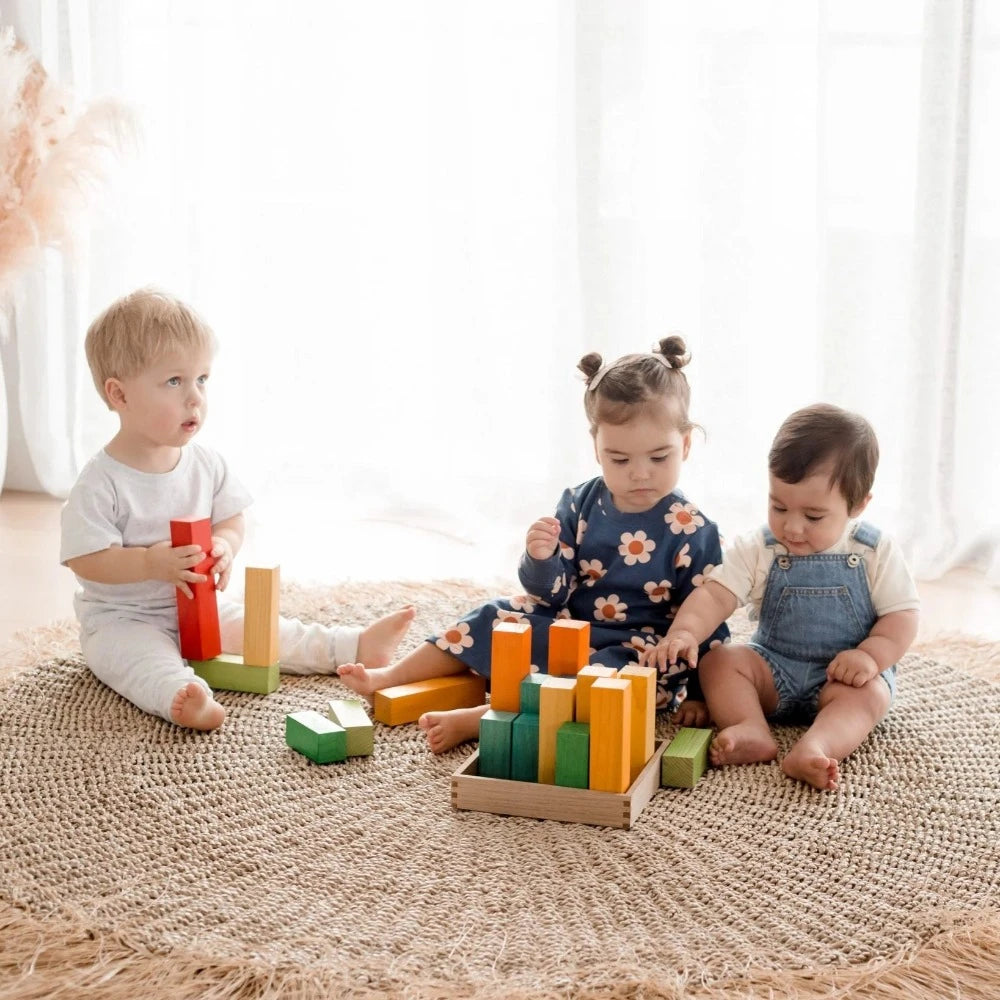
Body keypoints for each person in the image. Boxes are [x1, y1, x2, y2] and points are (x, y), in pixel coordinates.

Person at [337, 335, 729, 752]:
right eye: (620, 459)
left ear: (685, 445)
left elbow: (707, 617)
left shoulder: (693, 529)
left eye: (658, 458)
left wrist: (702, 693)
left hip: (638, 650)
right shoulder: (580, 503)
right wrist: (541, 559)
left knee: (601, 688)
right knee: (492, 616)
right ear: (596, 450)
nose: (639, 474)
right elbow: (549, 591)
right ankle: (390, 676)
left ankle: (485, 719)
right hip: (568, 625)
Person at [60, 288, 414, 731]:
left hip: (200, 604)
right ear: (120, 395)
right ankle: (181, 695)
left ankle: (353, 645)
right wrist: (150, 562)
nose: (195, 398)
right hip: (124, 618)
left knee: (265, 630)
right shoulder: (101, 481)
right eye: (175, 381)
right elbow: (85, 558)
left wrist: (225, 545)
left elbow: (230, 517)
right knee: (135, 660)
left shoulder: (205, 463)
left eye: (202, 380)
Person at [642, 403, 920, 791]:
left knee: (872, 694)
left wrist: (870, 656)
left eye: (813, 516)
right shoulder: (762, 547)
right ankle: (750, 728)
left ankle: (815, 747)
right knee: (720, 662)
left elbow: (903, 616)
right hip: (774, 667)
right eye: (778, 506)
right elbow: (716, 596)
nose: (791, 526)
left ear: (857, 505)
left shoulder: (874, 550)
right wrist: (685, 632)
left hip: (842, 677)